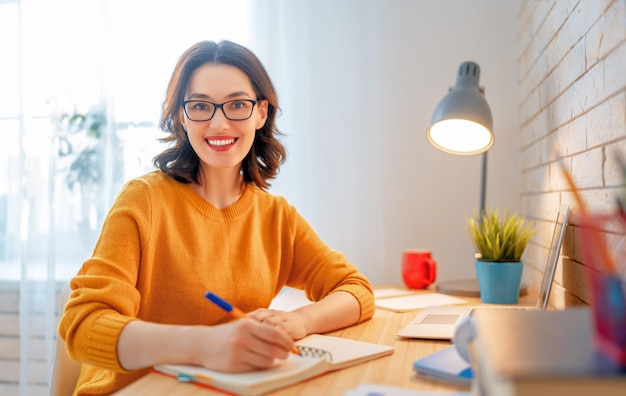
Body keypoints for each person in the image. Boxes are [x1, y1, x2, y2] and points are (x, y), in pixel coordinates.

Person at [58, 40, 375, 394]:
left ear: (261, 112)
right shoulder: (143, 201)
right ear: (182, 115)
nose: (219, 123)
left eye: (237, 104)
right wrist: (207, 344)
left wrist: (298, 321)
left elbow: (355, 290)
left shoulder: (276, 216)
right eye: (201, 106)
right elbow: (83, 326)